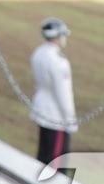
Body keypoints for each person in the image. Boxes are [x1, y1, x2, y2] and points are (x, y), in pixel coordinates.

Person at [31, 17, 78, 165]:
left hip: (41, 109)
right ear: (57, 36)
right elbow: (63, 94)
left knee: (43, 155)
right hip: (56, 116)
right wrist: (70, 120)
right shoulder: (59, 61)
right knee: (55, 163)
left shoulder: (39, 53)